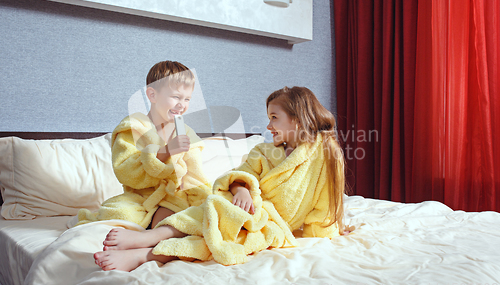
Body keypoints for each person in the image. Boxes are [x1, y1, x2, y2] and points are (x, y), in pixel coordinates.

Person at [94, 86, 346, 271]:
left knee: (215, 235)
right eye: (269, 118)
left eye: (274, 117)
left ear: (299, 118)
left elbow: (326, 204)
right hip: (244, 206)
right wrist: (241, 189)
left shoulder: (325, 153)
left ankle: (147, 254)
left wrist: (323, 231)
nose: (268, 126)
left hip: (271, 222)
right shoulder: (264, 151)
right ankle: (152, 237)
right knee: (212, 208)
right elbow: (240, 173)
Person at [78, 61, 212, 269]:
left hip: (173, 197)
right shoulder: (133, 127)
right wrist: (165, 151)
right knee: (123, 215)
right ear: (152, 95)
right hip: (142, 196)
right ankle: (150, 241)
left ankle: (145, 247)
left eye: (187, 99)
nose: (181, 104)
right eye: (176, 97)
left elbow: (194, 176)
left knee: (203, 214)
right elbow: (126, 170)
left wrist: (206, 198)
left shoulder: (186, 132)